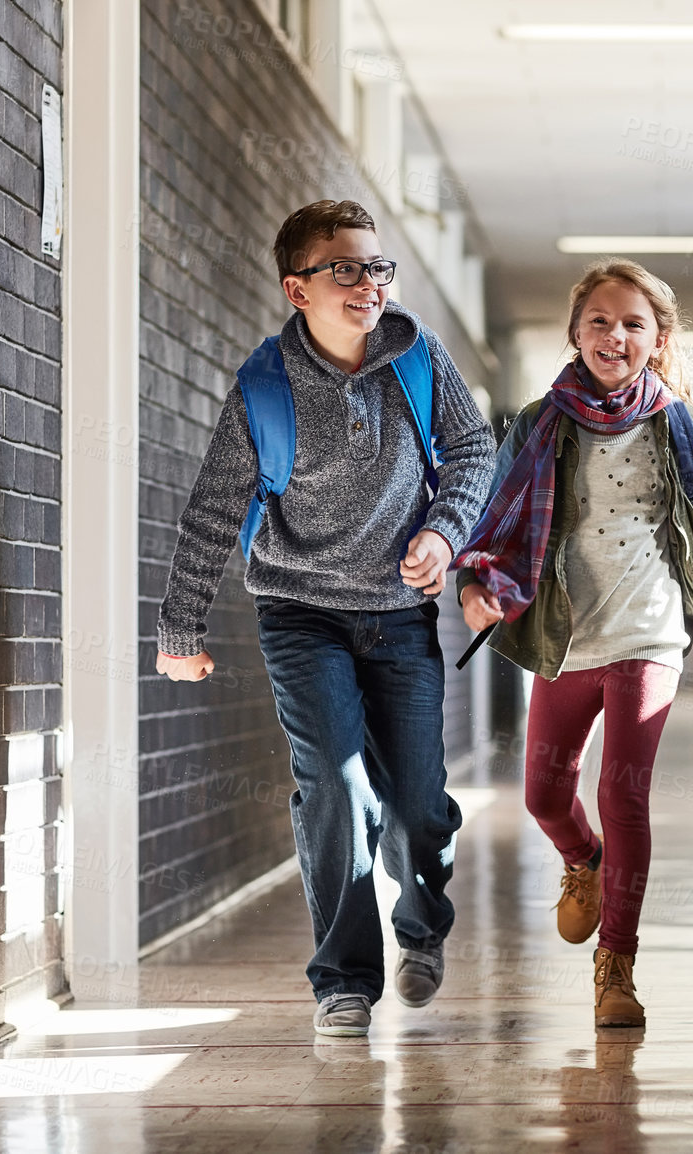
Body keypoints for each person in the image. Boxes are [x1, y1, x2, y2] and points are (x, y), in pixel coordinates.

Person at [154, 200, 496, 1038]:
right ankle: (343, 980)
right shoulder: (264, 388)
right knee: (338, 794)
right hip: (301, 614)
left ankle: (421, 925)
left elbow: (476, 450)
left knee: (418, 806)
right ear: (297, 289)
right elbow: (212, 510)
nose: (368, 284)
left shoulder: (418, 358)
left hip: (398, 619)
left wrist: (442, 532)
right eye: (345, 269)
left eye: (377, 268)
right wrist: (179, 630)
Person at [454, 259, 693, 1028]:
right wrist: (475, 583)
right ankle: (581, 860)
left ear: (657, 340)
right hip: (565, 635)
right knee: (542, 797)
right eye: (600, 320)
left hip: (650, 634)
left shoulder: (679, 426)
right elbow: (491, 513)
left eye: (634, 323)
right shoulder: (538, 422)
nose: (615, 335)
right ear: (575, 332)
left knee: (623, 795)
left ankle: (616, 968)